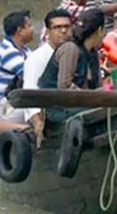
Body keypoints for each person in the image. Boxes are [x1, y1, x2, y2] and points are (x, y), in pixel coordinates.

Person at [23, 9, 73, 142]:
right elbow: (30, 93)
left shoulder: (74, 52)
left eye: (67, 27)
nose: (63, 31)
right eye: (57, 27)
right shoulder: (37, 58)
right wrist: (38, 123)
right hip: (46, 115)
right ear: (48, 31)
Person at [0, 10, 33, 134]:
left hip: (12, 101)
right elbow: (31, 76)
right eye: (30, 26)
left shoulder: (26, 51)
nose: (33, 29)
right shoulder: (7, 52)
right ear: (19, 31)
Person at [38, 8, 105, 92]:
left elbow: (95, 86)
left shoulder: (92, 52)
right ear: (99, 30)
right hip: (54, 102)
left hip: (81, 102)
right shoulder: (70, 49)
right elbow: (65, 87)